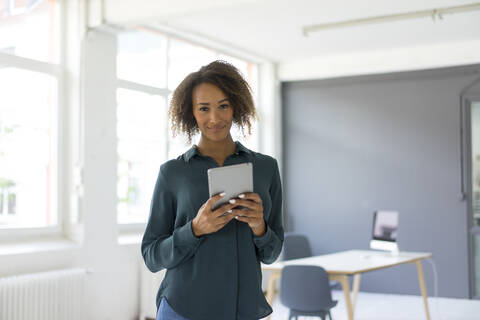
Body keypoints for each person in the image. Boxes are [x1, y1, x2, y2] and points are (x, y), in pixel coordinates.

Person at [141, 60, 284, 320]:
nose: (215, 118)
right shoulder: (172, 173)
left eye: (223, 106)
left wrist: (259, 227)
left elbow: (272, 254)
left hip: (243, 310)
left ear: (235, 107)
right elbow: (151, 256)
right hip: (183, 308)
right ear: (191, 113)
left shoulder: (265, 168)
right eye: (204, 108)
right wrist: (194, 229)